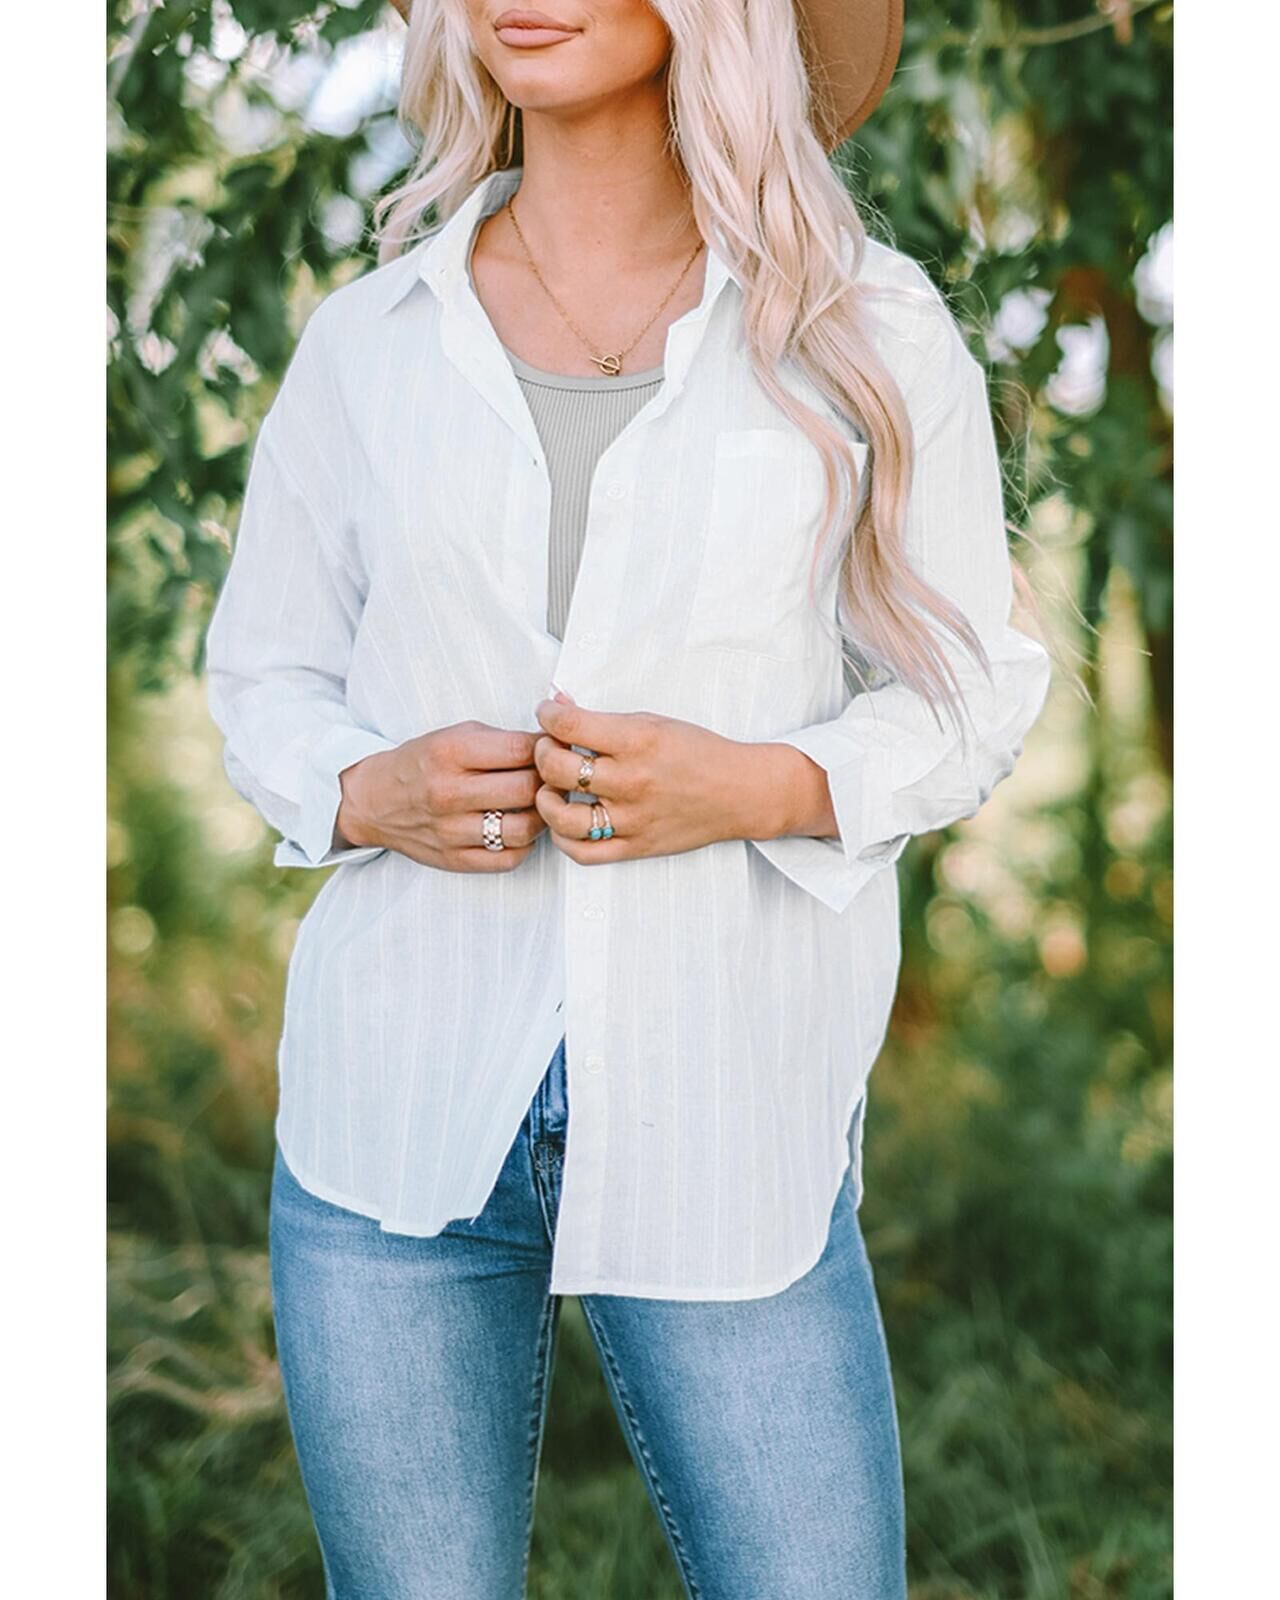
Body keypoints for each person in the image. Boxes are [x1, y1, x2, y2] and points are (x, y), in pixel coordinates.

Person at [203, 0, 1053, 1594]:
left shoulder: (867, 327)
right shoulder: (369, 344)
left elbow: (979, 682)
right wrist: (368, 790)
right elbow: (263, 671)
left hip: (729, 1118)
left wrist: (763, 784)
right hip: (391, 1118)